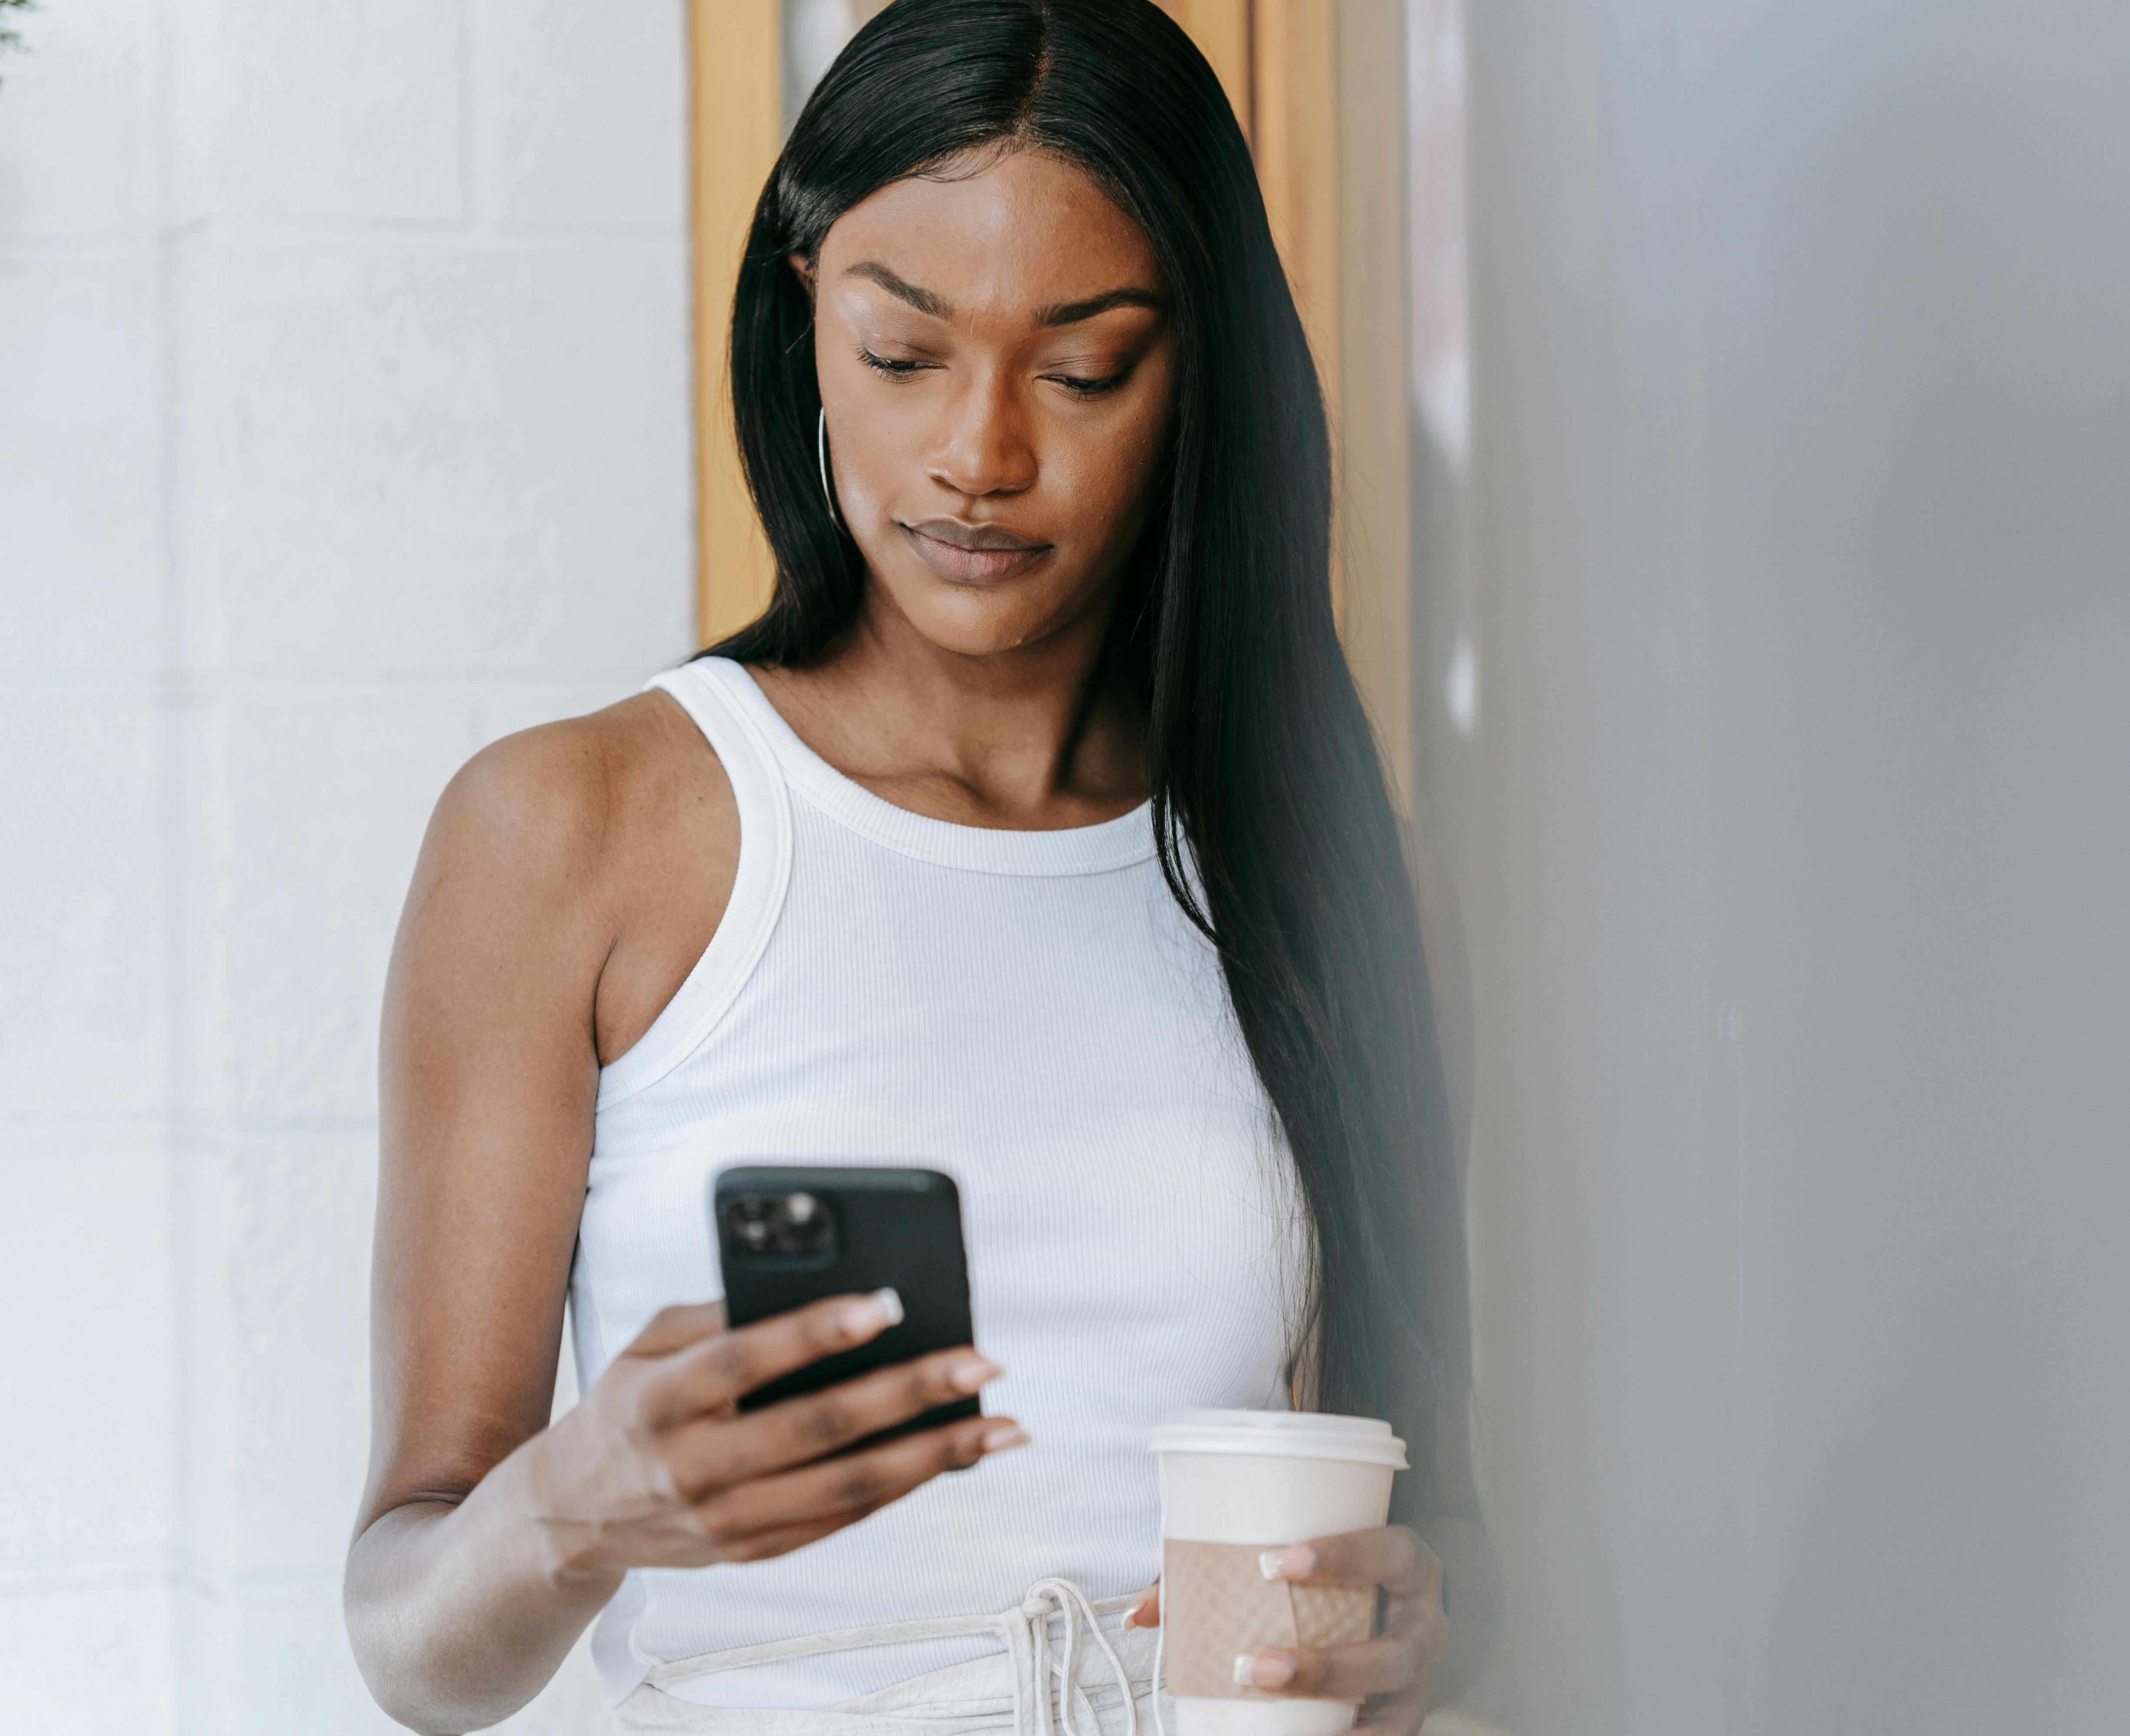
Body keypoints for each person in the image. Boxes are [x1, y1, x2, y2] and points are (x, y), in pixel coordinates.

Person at [342, 2, 1495, 1731]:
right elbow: (414, 1645)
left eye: (1086, 365)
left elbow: (1429, 1524)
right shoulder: (572, 831)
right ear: (805, 313)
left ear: (1203, 374)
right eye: (905, 354)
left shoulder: (1337, 880)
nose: (983, 452)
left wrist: (1420, 1623)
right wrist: (579, 1501)